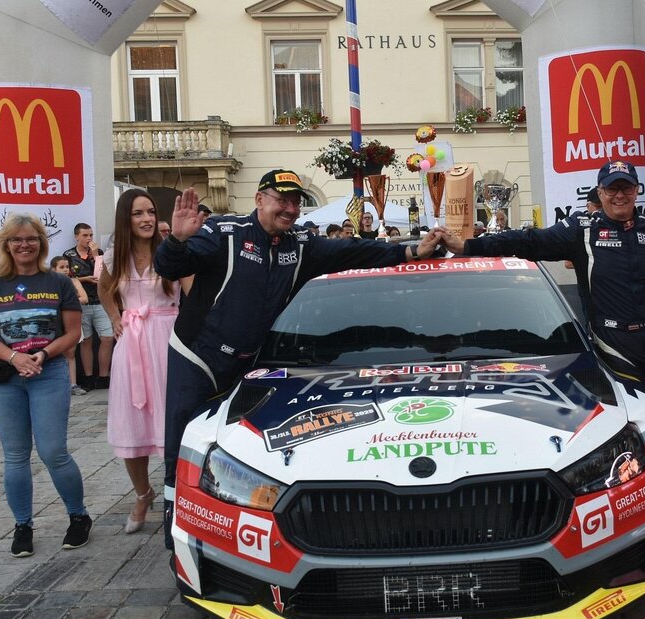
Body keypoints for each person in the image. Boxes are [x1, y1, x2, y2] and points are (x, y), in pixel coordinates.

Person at [154, 169, 442, 549]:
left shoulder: (301, 244)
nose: (289, 209)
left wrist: (410, 251)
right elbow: (169, 268)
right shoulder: (225, 232)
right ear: (260, 199)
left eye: (295, 202)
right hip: (199, 356)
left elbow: (355, 251)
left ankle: (238, 518)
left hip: (251, 362)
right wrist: (176, 239)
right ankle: (174, 524)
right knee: (183, 442)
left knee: (245, 447)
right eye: (281, 200)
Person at [440, 160, 645, 541]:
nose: (619, 195)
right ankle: (637, 504)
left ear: (638, 191)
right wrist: (469, 245)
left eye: (627, 188)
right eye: (611, 189)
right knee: (630, 429)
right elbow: (529, 241)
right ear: (600, 193)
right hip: (614, 344)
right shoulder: (581, 229)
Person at [0, 213, 90, 558]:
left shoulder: (58, 282)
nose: (24, 245)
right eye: (16, 239)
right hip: (5, 379)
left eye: (31, 239)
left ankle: (78, 516)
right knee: (15, 455)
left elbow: (72, 332)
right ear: (6, 245)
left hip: (48, 373)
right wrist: (15, 358)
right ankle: (22, 525)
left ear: (41, 242)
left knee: (53, 451)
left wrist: (41, 354)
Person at [99, 189, 181, 535]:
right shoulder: (114, 256)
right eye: (137, 214)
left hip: (168, 340)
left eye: (150, 212)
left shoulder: (171, 254)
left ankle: (178, 499)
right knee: (132, 424)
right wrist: (115, 317)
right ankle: (143, 493)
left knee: (172, 425)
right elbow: (104, 290)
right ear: (125, 219)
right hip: (132, 343)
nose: (147, 219)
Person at [63, 223, 113, 390]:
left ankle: (104, 376)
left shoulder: (98, 253)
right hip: (82, 303)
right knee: (86, 341)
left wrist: (95, 255)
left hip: (100, 301)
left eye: (91, 235)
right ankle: (89, 377)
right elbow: (68, 277)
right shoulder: (69, 255)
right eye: (85, 235)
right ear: (77, 236)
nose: (89, 238)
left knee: (107, 337)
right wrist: (85, 280)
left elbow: (104, 273)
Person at [50, 256, 89, 396]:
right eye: (62, 267)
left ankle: (73, 384)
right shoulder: (49, 283)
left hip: (71, 320)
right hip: (55, 321)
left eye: (67, 267)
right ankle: (58, 384)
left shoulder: (74, 281)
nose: (66, 270)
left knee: (71, 352)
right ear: (53, 269)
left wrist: (66, 302)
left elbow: (84, 298)